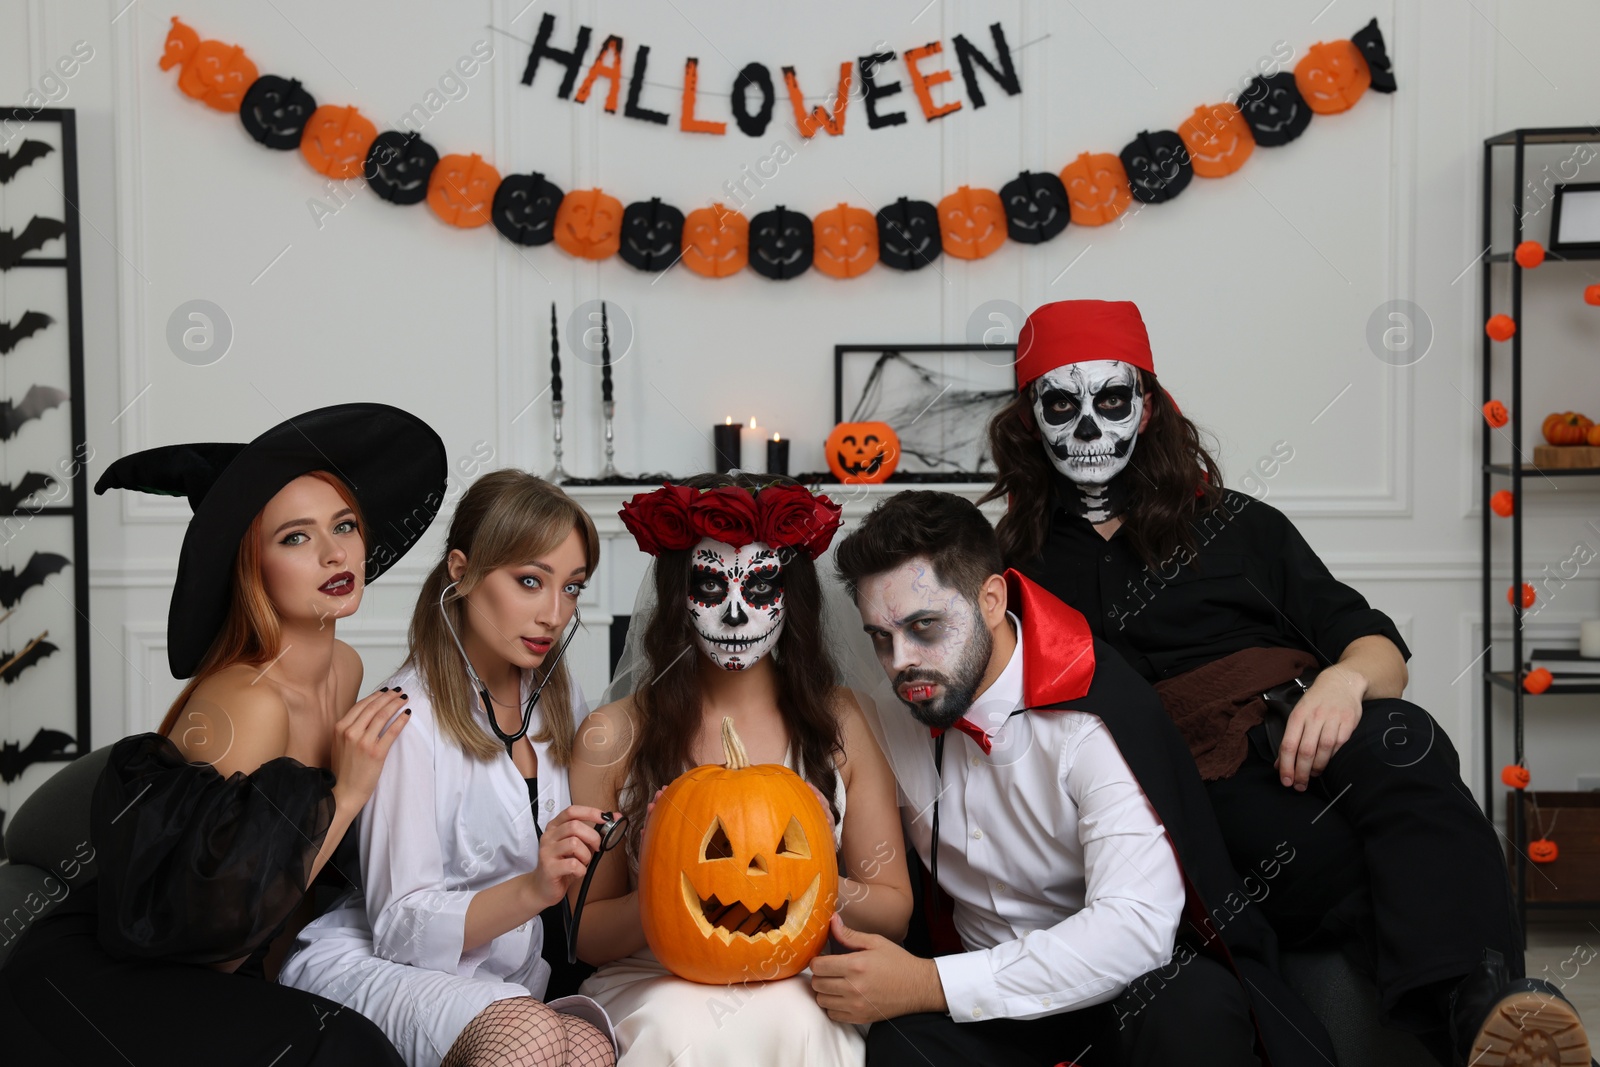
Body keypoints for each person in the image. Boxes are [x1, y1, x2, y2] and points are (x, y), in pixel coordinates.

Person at [985, 298, 1593, 1067]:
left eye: (1110, 399)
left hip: (1308, 724)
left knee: (1407, 738)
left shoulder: (1240, 524)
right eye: (1061, 404)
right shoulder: (1013, 566)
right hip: (1184, 785)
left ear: (1145, 408)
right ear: (1030, 420)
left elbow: (1380, 651)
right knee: (1331, 854)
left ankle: (1489, 1014)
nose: (1088, 426)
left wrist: (1342, 682)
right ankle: (1484, 1009)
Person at [0, 403, 447, 1065]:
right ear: (251, 563)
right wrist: (346, 796)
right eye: (295, 537)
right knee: (347, 1046)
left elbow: (287, 892)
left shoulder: (344, 666)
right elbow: (216, 945)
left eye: (345, 524)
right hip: (111, 981)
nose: (334, 551)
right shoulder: (247, 702)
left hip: (217, 963)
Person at [828, 489, 1337, 1067]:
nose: (901, 662)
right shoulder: (888, 714)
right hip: (992, 1015)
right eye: (880, 638)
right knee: (903, 1048)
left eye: (924, 626)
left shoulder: (1093, 715)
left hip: (1128, 998)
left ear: (991, 599)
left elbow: (1133, 930)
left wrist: (931, 984)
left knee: (1189, 1007)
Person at [570, 473, 913, 1066]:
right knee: (679, 1026)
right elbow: (585, 933)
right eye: (709, 585)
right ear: (679, 594)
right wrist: (667, 885)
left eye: (760, 588)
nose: (734, 614)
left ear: (793, 597)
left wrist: (801, 881)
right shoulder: (612, 733)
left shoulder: (843, 719)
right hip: (654, 981)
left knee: (795, 1018)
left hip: (798, 974)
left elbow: (894, 909)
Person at [280, 469, 616, 1067]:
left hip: (495, 980)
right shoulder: (404, 719)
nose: (554, 613)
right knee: (533, 1038)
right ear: (460, 572)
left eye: (572, 588)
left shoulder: (562, 706)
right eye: (531, 582)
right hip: (375, 965)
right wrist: (535, 888)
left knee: (591, 1045)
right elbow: (400, 927)